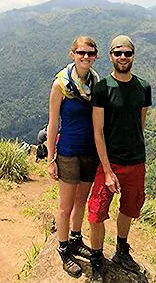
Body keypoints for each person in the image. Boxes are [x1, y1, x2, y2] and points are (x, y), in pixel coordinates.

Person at [87, 35, 151, 282]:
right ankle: (96, 258)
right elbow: (98, 131)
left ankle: (122, 250)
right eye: (117, 53)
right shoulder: (102, 88)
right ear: (111, 56)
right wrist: (107, 169)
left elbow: (140, 123)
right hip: (110, 163)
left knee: (130, 207)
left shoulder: (143, 87)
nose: (122, 57)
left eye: (127, 53)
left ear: (133, 55)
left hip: (136, 161)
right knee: (97, 212)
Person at [45, 36, 101, 277]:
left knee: (81, 201)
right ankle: (63, 248)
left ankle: (76, 238)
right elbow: (53, 122)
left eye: (90, 53)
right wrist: (50, 158)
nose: (85, 57)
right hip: (68, 151)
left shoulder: (97, 84)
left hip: (90, 151)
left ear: (96, 55)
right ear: (72, 54)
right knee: (65, 206)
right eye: (81, 53)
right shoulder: (61, 85)